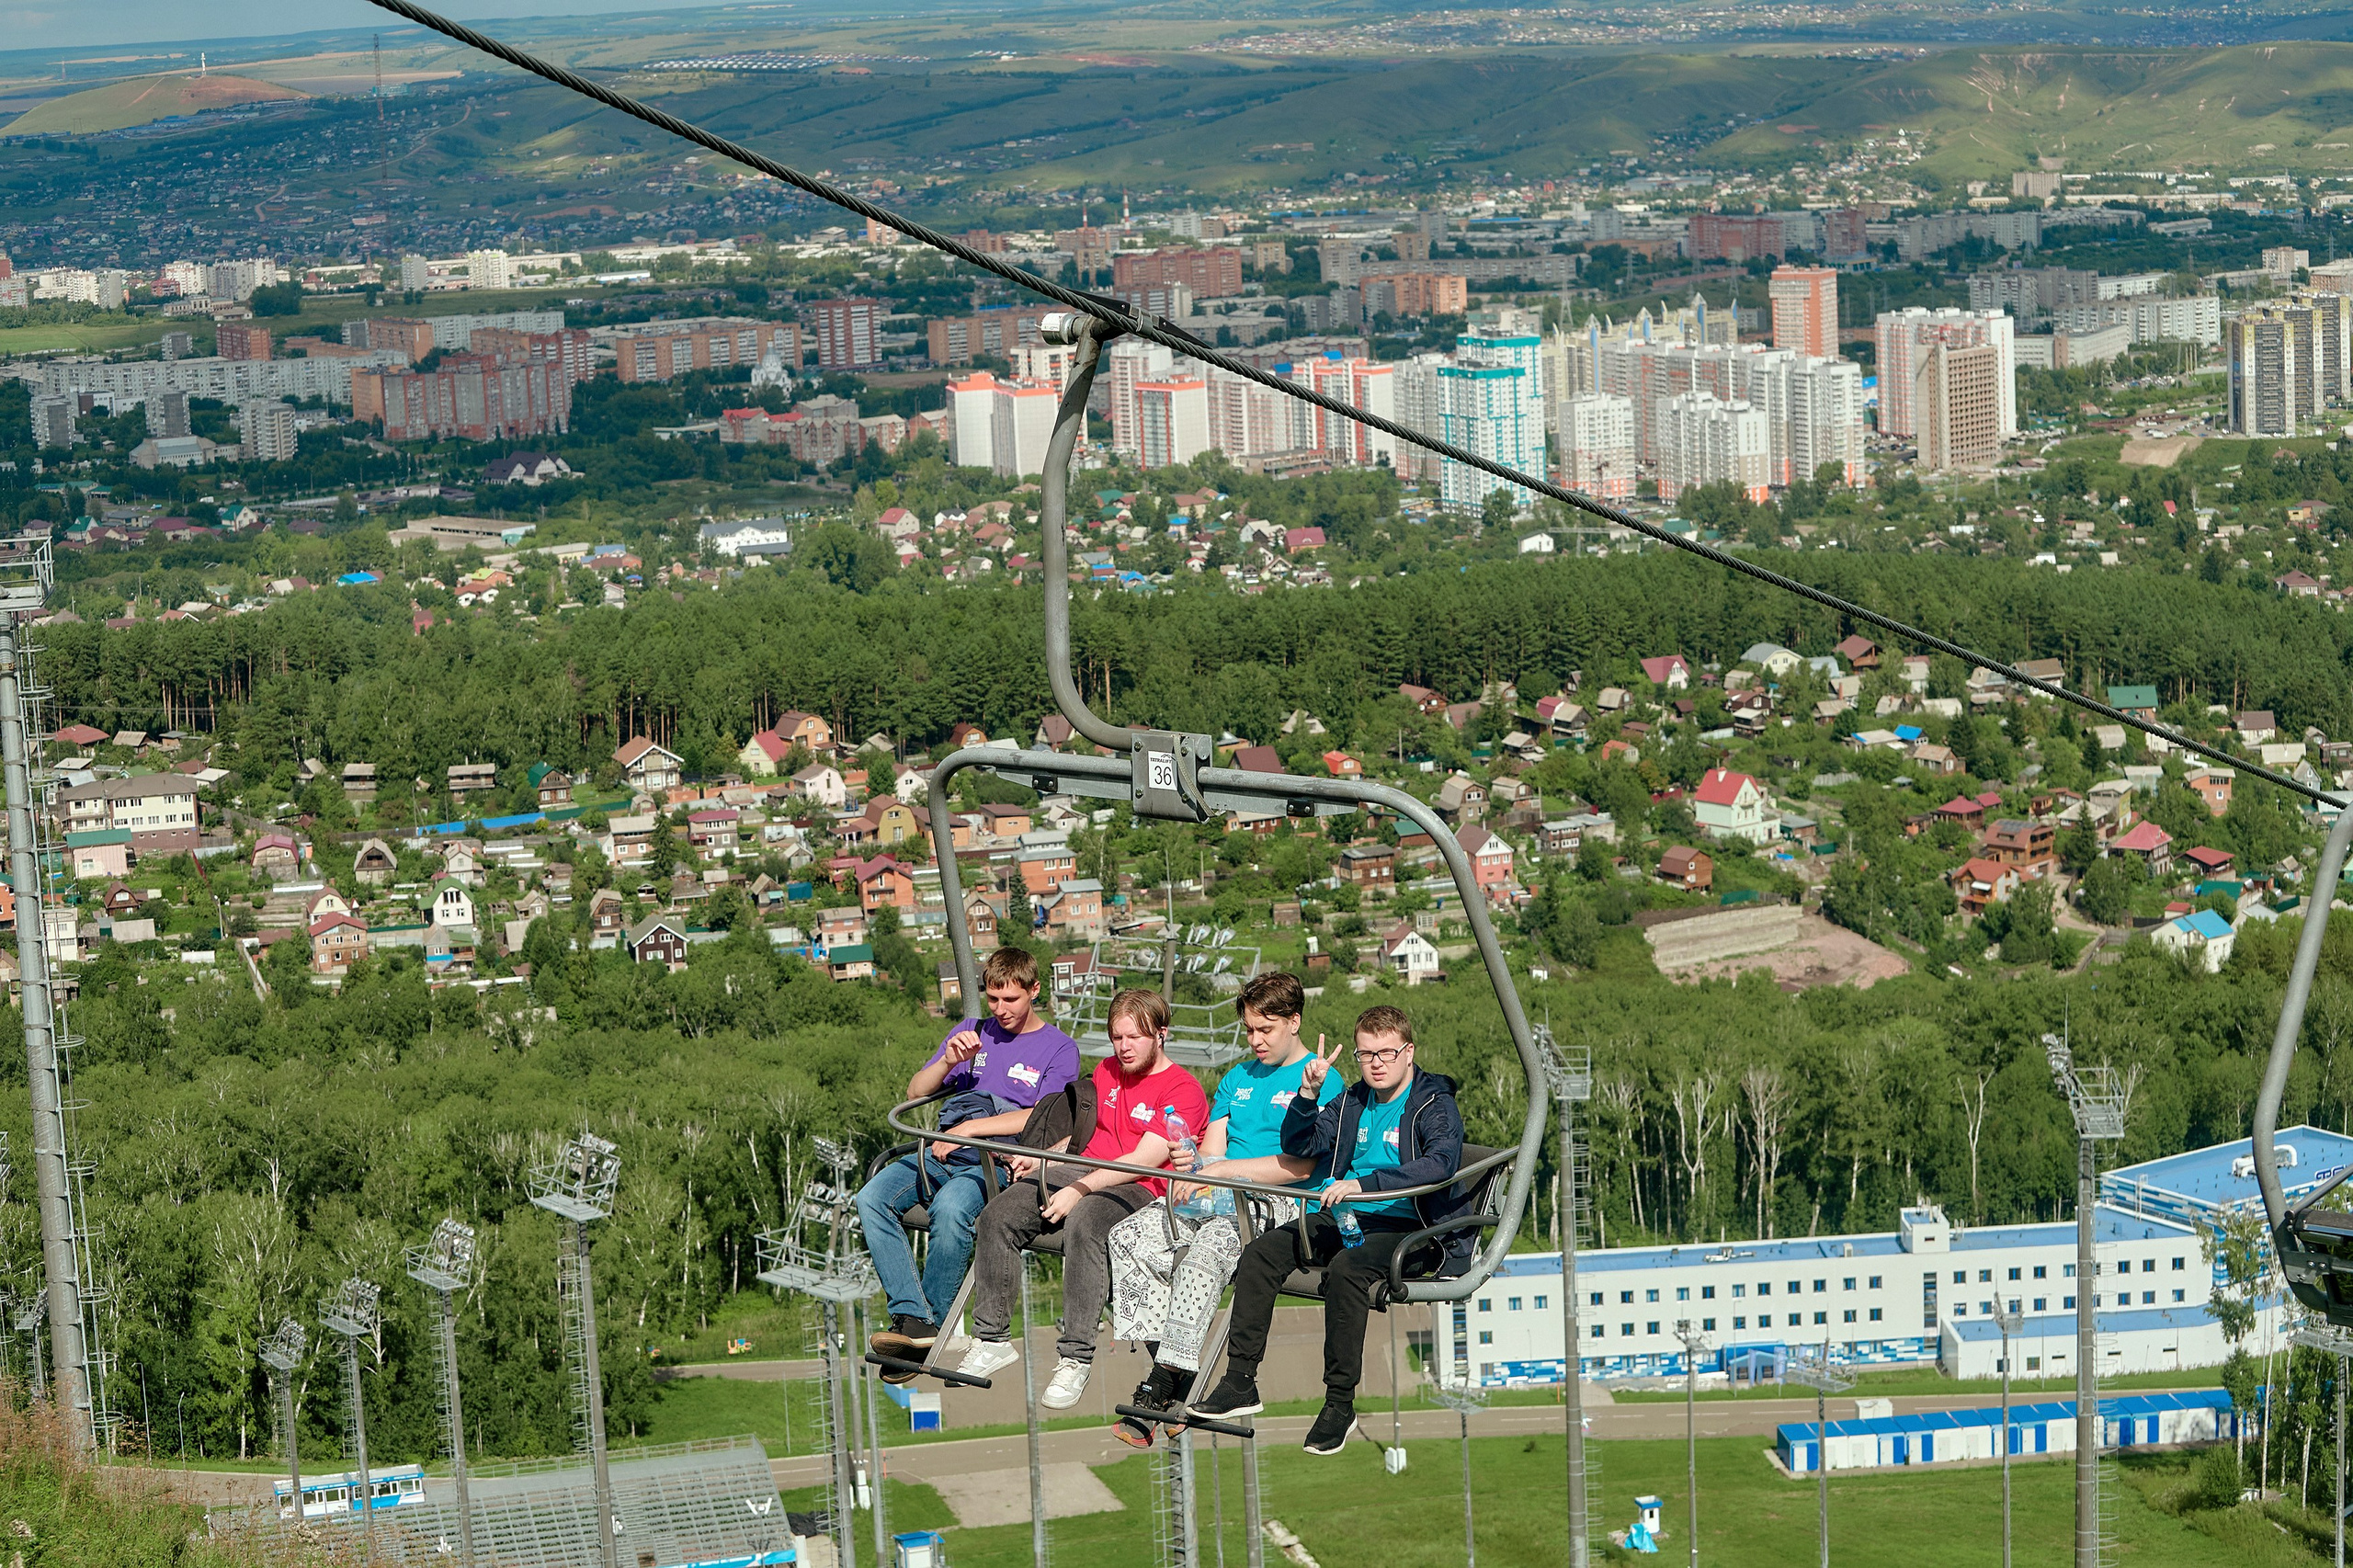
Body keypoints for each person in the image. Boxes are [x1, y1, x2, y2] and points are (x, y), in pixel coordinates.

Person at [1191, 1004, 1472, 1456]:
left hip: (1410, 1228)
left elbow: (1440, 1162)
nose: (1377, 1064)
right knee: (1261, 1253)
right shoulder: (1353, 1101)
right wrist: (1306, 1095)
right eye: (1366, 1055)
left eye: (1387, 1053)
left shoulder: (1433, 1105)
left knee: (1347, 1269)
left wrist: (1366, 1184)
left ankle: (1339, 1403)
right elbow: (1300, 1145)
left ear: (1408, 1052)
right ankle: (1240, 1381)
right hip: (1348, 1217)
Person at [1102, 971, 1343, 1448]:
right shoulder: (1237, 1078)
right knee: (1128, 1237)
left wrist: (1230, 1170)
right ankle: (1172, 1369)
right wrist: (1194, 1170)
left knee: (1206, 1251)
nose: (1255, 1040)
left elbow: (1300, 1167)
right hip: (1224, 1189)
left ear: (1294, 1023)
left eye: (1266, 1029)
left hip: (1278, 1203)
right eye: (1250, 1029)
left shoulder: (1322, 1079)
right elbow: (1212, 1149)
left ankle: (1162, 1384)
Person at [955, 988, 1210, 1410]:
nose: (1124, 1048)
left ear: (1161, 1035)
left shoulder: (1182, 1090)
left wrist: (1079, 1188)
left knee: (1088, 1223)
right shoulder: (1107, 1071)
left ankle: (1075, 1356)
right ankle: (992, 1337)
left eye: (1134, 1038)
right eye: (1117, 1038)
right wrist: (1047, 1160)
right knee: (998, 1215)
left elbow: (1143, 1160)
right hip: (1086, 1170)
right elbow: (1090, 1136)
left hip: (1141, 1185)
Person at [860, 947, 1080, 1381]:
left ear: (1034, 991)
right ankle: (913, 1316)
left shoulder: (1058, 1049)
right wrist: (948, 1061)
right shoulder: (973, 1033)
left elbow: (1044, 1116)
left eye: (1011, 1000)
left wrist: (973, 1129)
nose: (1001, 1010)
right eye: (993, 999)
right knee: (871, 1198)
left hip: (993, 1162)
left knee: (952, 1208)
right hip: (943, 1150)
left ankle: (927, 1326)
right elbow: (914, 1090)